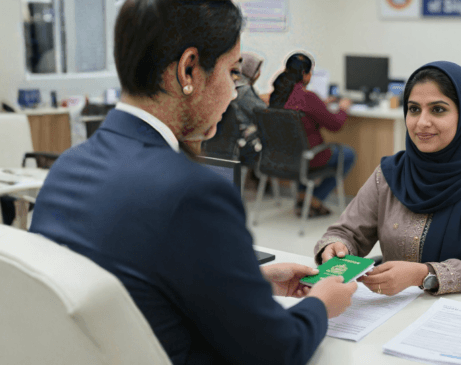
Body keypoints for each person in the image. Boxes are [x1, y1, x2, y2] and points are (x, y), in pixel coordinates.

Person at [29, 1, 357, 364]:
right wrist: (321, 305)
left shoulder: (68, 167)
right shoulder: (192, 191)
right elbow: (276, 349)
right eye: (232, 73)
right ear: (188, 70)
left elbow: (136, 283)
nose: (235, 93)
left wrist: (249, 280)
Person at [314, 61, 461, 299]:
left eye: (438, 109)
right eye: (413, 109)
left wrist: (422, 275)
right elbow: (348, 231)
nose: (421, 122)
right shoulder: (391, 173)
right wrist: (336, 247)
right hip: (400, 307)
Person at [269, 53, 355, 217]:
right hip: (309, 157)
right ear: (305, 74)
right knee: (348, 154)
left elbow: (302, 108)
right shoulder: (308, 97)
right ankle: (314, 197)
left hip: (282, 157)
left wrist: (322, 104)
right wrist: (343, 108)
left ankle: (303, 197)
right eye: (310, 73)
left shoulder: (277, 95)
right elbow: (335, 125)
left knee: (300, 150)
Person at [202, 51, 266, 165]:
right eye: (258, 70)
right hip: (240, 143)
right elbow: (264, 113)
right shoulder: (245, 90)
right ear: (251, 70)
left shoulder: (229, 85)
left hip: (217, 144)